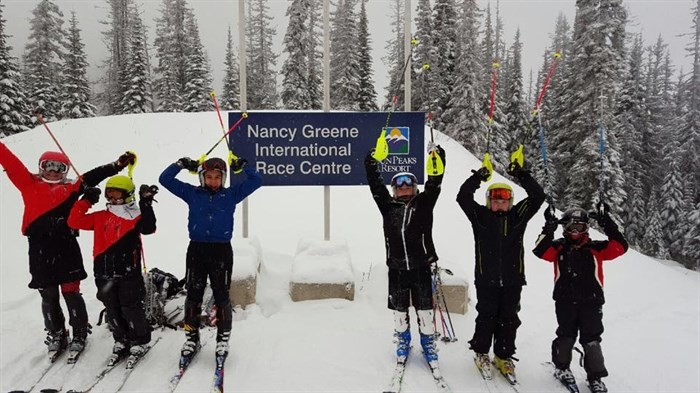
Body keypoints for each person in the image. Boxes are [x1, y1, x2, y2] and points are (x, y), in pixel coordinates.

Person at [0, 141, 135, 360]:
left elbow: (91, 177)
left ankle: (80, 331)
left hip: (66, 245)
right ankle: (56, 333)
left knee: (71, 292)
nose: (53, 171)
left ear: (66, 171)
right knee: (48, 293)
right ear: (41, 167)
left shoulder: (71, 187)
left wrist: (116, 166)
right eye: (49, 166)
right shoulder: (28, 183)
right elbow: (9, 162)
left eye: (59, 167)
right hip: (39, 247)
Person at [159, 155, 262, 360]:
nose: (213, 181)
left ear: (223, 178)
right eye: (209, 177)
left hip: (221, 251)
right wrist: (180, 164)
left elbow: (256, 181)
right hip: (197, 250)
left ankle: (222, 340)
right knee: (193, 296)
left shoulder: (231, 194)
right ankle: (191, 337)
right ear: (202, 177)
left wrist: (244, 167)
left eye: (217, 177)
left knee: (222, 296)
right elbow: (165, 179)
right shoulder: (192, 193)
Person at [456, 162, 545, 380]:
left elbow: (538, 197)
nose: (499, 204)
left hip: (513, 280)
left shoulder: (518, 216)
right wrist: (478, 177)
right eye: (495, 200)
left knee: (509, 319)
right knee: (486, 317)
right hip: (486, 279)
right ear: (489, 202)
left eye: (504, 200)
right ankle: (481, 353)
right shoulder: (480, 216)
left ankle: (503, 356)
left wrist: (521, 174)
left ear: (509, 202)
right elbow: (463, 197)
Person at [364, 145, 446, 368]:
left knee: (425, 311)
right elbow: (374, 183)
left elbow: (435, 182)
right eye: (399, 184)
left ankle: (428, 344)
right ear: (393, 190)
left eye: (408, 183)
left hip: (421, 266)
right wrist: (372, 160)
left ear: (415, 188)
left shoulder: (424, 204)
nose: (404, 187)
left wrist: (438, 157)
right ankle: (403, 341)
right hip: (397, 268)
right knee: (400, 311)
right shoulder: (387, 206)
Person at [532, 204, 628, 393]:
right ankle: (562, 368)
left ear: (587, 228)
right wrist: (548, 227)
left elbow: (620, 246)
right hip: (565, 300)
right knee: (566, 334)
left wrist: (606, 222)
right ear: (564, 228)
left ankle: (596, 377)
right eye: (571, 227)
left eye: (580, 227)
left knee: (591, 339)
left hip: (591, 302)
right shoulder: (559, 248)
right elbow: (539, 250)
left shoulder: (596, 248)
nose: (575, 232)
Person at [67, 175, 159, 365]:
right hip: (103, 272)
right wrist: (86, 200)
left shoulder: (135, 216)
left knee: (130, 307)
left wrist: (146, 202)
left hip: (128, 272)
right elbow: (74, 221)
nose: (113, 199)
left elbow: (149, 228)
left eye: (117, 194)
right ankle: (121, 339)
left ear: (127, 195)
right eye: (109, 194)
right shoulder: (100, 216)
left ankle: (139, 339)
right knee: (112, 308)